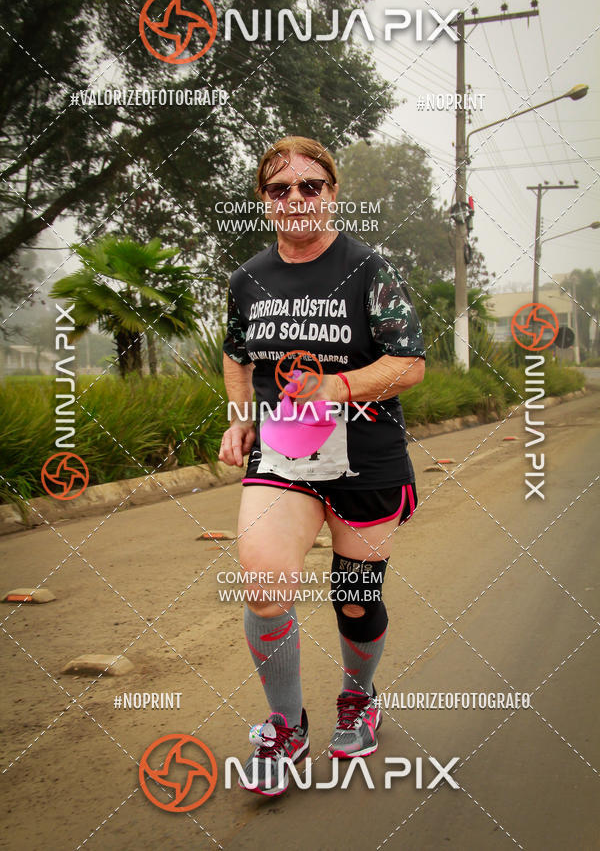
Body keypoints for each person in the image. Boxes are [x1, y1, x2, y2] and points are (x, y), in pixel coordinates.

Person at [219, 135, 425, 796]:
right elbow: (235, 352)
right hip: (286, 447)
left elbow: (410, 364)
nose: (296, 199)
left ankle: (358, 697)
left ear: (332, 193)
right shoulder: (248, 279)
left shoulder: (370, 270)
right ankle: (285, 725)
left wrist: (338, 388)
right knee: (263, 577)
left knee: (356, 601)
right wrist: (240, 412)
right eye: (280, 189)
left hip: (367, 451)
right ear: (264, 200)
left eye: (310, 186)